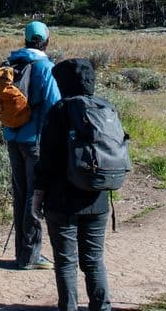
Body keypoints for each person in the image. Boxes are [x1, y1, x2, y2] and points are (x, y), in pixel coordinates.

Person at [33, 58, 115, 311]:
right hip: (97, 198)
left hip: (62, 200)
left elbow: (46, 160)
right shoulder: (106, 108)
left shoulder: (59, 111)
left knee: (66, 262)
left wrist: (37, 197)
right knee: (93, 261)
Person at [3, 20, 61, 270]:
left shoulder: (12, 63)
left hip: (12, 137)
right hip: (34, 140)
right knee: (34, 196)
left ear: (26, 39)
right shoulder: (44, 66)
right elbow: (54, 104)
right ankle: (30, 256)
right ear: (46, 40)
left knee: (21, 193)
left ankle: (22, 253)